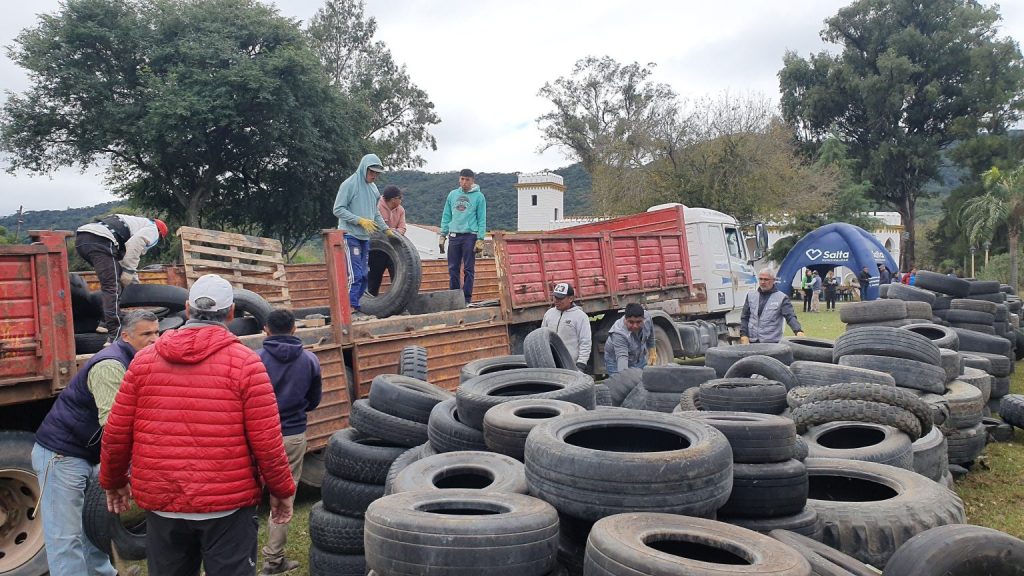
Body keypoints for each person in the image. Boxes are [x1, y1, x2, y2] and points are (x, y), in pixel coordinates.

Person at [100, 274, 296, 576]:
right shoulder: (247, 363)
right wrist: (281, 491)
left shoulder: (143, 362)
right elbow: (267, 441)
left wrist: (113, 482)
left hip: (163, 505)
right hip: (227, 508)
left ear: (188, 309)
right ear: (231, 314)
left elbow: (116, 433)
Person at [31, 310, 159, 576]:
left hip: (88, 453)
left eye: (156, 332)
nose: (154, 339)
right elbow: (115, 428)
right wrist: (127, 471)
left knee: (92, 528)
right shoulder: (110, 365)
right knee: (66, 537)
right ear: (125, 336)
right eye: (146, 334)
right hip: (62, 455)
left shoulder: (135, 361)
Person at [257, 309, 323, 575]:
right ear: (295, 329)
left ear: (266, 330)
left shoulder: (255, 360)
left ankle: (239, 557)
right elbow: (314, 400)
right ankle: (273, 560)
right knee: (283, 497)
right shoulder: (310, 360)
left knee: (246, 496)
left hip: (259, 434)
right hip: (292, 435)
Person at [75, 214, 169, 337]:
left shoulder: (134, 225)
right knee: (112, 287)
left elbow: (124, 259)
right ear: (160, 233)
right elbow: (136, 244)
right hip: (100, 239)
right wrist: (129, 271)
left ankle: (96, 320)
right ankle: (115, 333)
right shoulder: (153, 229)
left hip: (83, 239)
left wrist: (133, 280)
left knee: (114, 280)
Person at [333, 153, 392, 319]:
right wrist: (359, 220)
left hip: (365, 237)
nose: (374, 176)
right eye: (372, 172)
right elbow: (338, 209)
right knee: (354, 275)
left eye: (377, 174)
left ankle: (356, 306)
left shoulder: (373, 189)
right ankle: (349, 309)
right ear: (364, 168)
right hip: (349, 235)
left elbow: (375, 213)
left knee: (365, 274)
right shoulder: (350, 184)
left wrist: (385, 229)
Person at [439, 168, 487, 304]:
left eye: (467, 180)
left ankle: (466, 299)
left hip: (470, 236)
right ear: (459, 179)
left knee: (468, 269)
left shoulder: (479, 197)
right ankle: (454, 298)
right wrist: (443, 234)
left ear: (472, 181)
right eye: (462, 179)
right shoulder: (452, 195)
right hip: (454, 235)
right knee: (452, 268)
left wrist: (480, 238)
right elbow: (446, 215)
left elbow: (481, 218)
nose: (464, 182)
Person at [740, 269, 804, 344]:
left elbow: (790, 316)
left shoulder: (782, 298)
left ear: (773, 280)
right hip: (752, 342)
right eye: (760, 279)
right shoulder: (750, 295)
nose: (763, 282)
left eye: (766, 279)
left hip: (772, 343)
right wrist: (744, 335)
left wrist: (798, 331)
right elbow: (745, 317)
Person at [541, 282, 592, 372]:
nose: (556, 301)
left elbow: (585, 342)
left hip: (571, 365)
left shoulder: (580, 316)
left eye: (560, 298)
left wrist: (581, 364)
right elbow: (542, 337)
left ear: (571, 298)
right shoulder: (549, 314)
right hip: (551, 364)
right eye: (555, 297)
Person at [367, 185, 408, 297]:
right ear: (394, 199)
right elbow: (373, 227)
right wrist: (388, 232)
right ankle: (370, 305)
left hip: (394, 249)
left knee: (398, 278)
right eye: (400, 198)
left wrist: (393, 232)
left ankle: (399, 304)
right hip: (377, 250)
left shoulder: (400, 210)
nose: (401, 200)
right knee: (374, 279)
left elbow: (402, 228)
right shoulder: (376, 206)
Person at [603, 303, 657, 375]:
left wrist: (652, 350)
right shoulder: (619, 334)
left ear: (643, 319)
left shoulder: (647, 317)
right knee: (622, 384)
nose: (635, 326)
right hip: (616, 363)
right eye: (631, 322)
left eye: (638, 322)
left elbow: (650, 334)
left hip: (638, 358)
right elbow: (622, 358)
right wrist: (624, 377)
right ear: (625, 319)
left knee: (642, 383)